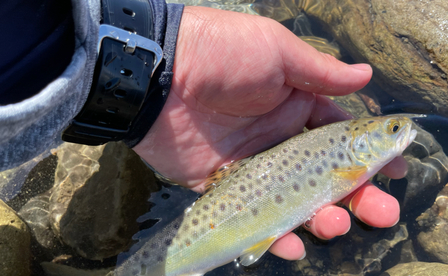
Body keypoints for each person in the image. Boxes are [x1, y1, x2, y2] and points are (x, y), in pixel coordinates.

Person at [0, 1, 407, 261]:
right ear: (361, 142)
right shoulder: (349, 157)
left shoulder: (349, 155)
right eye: (391, 128)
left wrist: (161, 58)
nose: (401, 130)